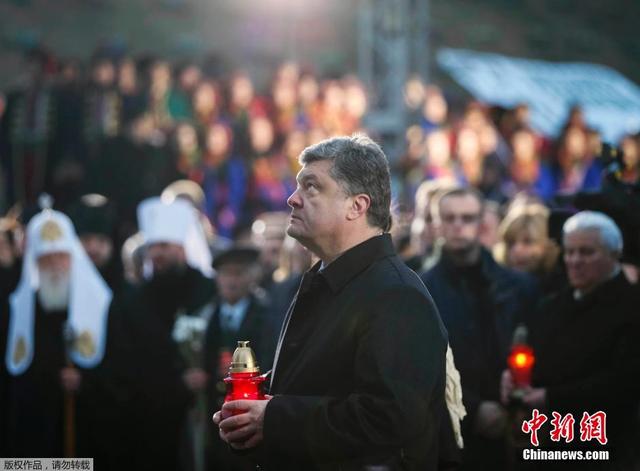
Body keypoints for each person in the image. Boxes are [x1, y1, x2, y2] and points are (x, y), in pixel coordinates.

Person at [214, 135, 451, 470]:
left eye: (312, 187)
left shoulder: (396, 294)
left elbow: (389, 420)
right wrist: (255, 403)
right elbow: (325, 378)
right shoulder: (330, 280)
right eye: (298, 186)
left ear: (357, 206)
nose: (292, 199)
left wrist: (274, 417)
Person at [501, 211, 640, 470]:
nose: (575, 261)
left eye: (587, 252)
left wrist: (550, 397)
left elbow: (624, 382)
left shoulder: (631, 307)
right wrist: (514, 380)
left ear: (613, 254)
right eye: (570, 252)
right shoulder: (552, 305)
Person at [420, 187, 537, 471]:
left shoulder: (518, 286)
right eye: (450, 218)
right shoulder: (420, 290)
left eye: (467, 218)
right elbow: (421, 366)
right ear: (437, 224)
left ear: (482, 221)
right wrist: (472, 410)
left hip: (516, 423)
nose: (459, 225)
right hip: (452, 438)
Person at [2, 207, 112, 459]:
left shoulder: (101, 304)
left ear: (73, 258)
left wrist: (86, 381)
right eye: (45, 258)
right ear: (34, 262)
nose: (54, 265)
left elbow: (118, 371)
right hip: (36, 427)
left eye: (60, 256)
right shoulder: (18, 308)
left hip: (85, 427)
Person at [121, 197, 216, 471]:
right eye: (152, 247)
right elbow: (133, 359)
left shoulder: (208, 290)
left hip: (205, 412)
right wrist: (176, 381)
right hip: (154, 416)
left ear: (182, 247)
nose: (157, 254)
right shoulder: (136, 300)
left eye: (164, 246)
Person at [203, 246, 275, 471]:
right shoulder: (207, 315)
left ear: (252, 277)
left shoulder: (267, 315)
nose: (231, 281)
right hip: (211, 418)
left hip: (248, 417)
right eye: (226, 273)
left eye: (238, 273)